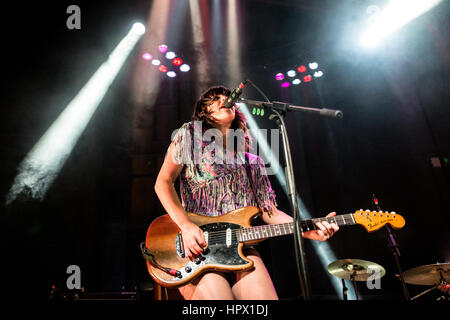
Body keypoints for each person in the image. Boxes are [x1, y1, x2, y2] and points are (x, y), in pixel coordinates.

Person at [154, 85, 339, 300]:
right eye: (216, 98)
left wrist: (306, 230)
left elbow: (270, 213)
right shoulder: (190, 137)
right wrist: (186, 227)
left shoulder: (252, 163)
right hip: (197, 247)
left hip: (241, 248)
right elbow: (163, 183)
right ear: (204, 111)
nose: (225, 98)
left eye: (226, 96)